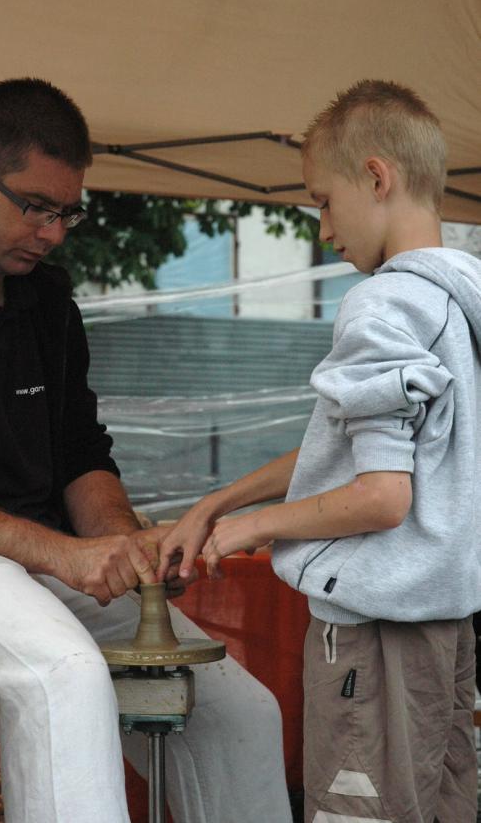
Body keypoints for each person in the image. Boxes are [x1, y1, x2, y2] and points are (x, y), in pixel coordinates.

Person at [0, 78, 292, 823]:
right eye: (36, 208)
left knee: (240, 710)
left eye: (67, 212)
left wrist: (123, 544)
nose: (53, 233)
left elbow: (81, 451)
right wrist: (63, 555)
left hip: (37, 565)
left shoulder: (48, 299)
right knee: (68, 677)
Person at [158, 79, 481, 823]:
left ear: (376, 176)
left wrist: (255, 528)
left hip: (374, 633)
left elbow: (382, 494)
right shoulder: (459, 301)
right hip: (443, 624)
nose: (322, 228)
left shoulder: (383, 303)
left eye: (323, 201)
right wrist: (220, 501)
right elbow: (353, 450)